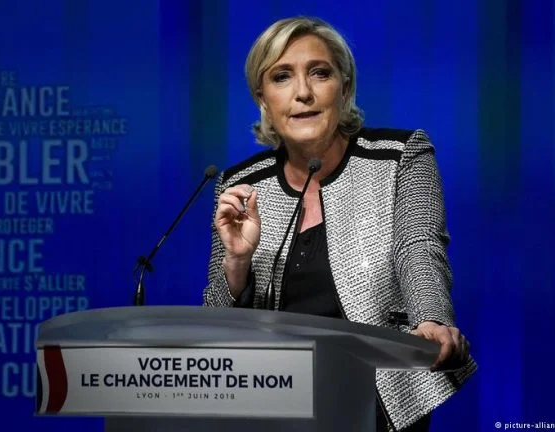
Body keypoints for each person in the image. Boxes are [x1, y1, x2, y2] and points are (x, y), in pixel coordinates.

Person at [203, 16, 477, 431]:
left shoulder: (399, 157)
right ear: (263, 99)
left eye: (320, 73)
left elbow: (419, 249)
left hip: (378, 402)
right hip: (274, 407)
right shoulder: (240, 185)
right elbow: (216, 323)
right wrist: (237, 263)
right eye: (282, 77)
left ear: (344, 88)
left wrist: (432, 321)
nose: (303, 92)